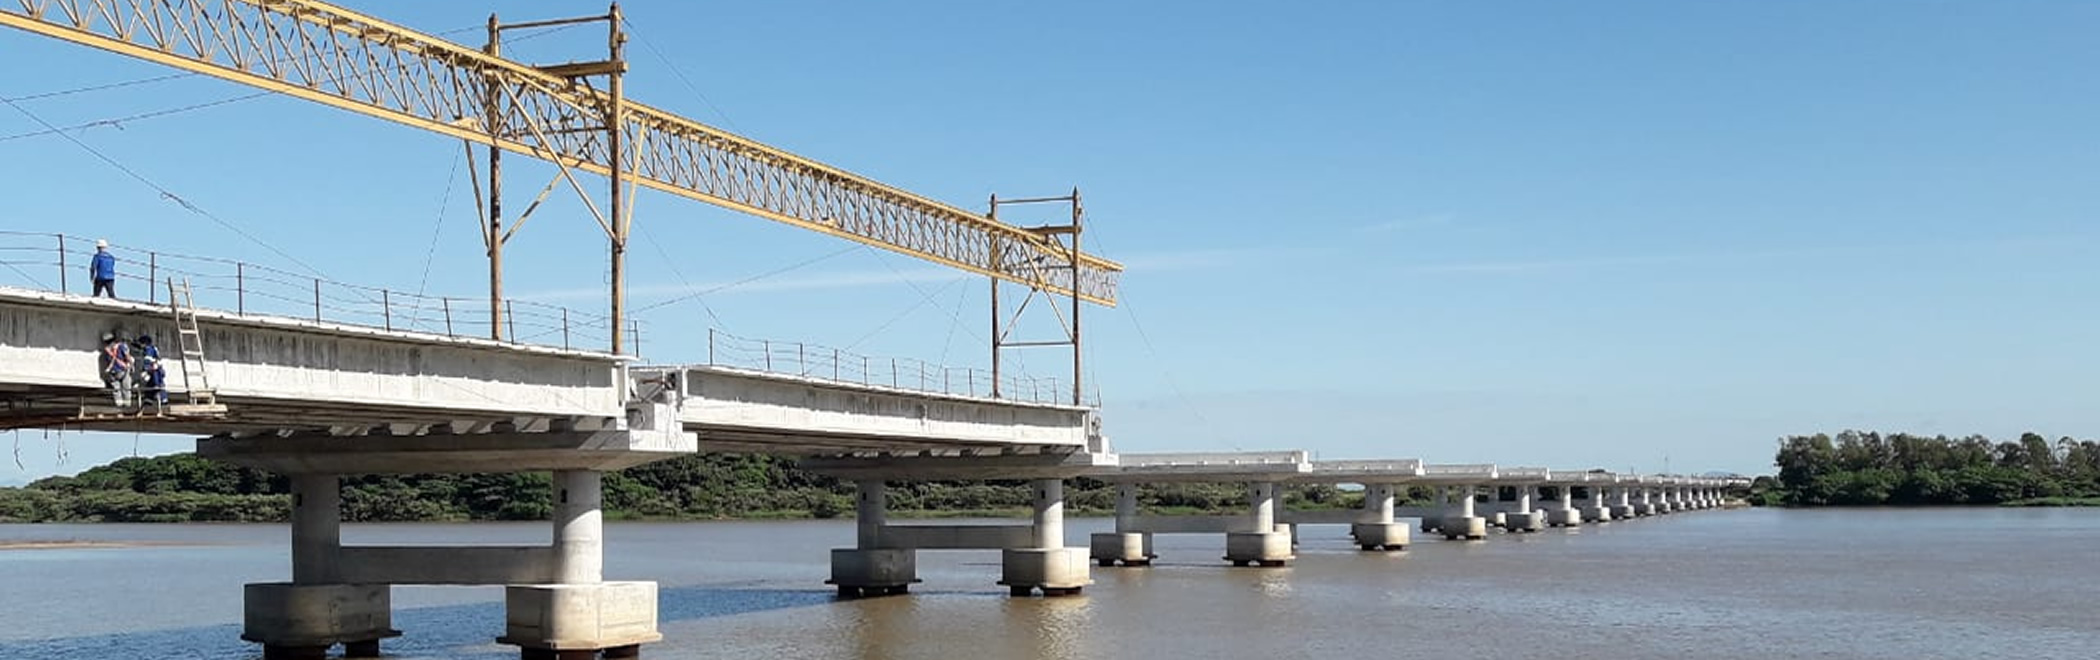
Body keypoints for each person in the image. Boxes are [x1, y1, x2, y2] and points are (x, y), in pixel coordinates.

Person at [97, 331, 133, 407]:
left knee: (116, 389)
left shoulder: (106, 351)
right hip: (123, 369)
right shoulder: (121, 346)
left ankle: (119, 403)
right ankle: (127, 403)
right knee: (126, 387)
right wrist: (132, 365)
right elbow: (127, 356)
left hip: (112, 372)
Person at [135, 334, 167, 408]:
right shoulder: (153, 348)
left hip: (154, 371)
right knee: (152, 385)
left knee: (156, 385)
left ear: (144, 344)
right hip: (157, 369)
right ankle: (149, 400)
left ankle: (162, 400)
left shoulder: (148, 350)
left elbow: (147, 361)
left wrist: (145, 370)